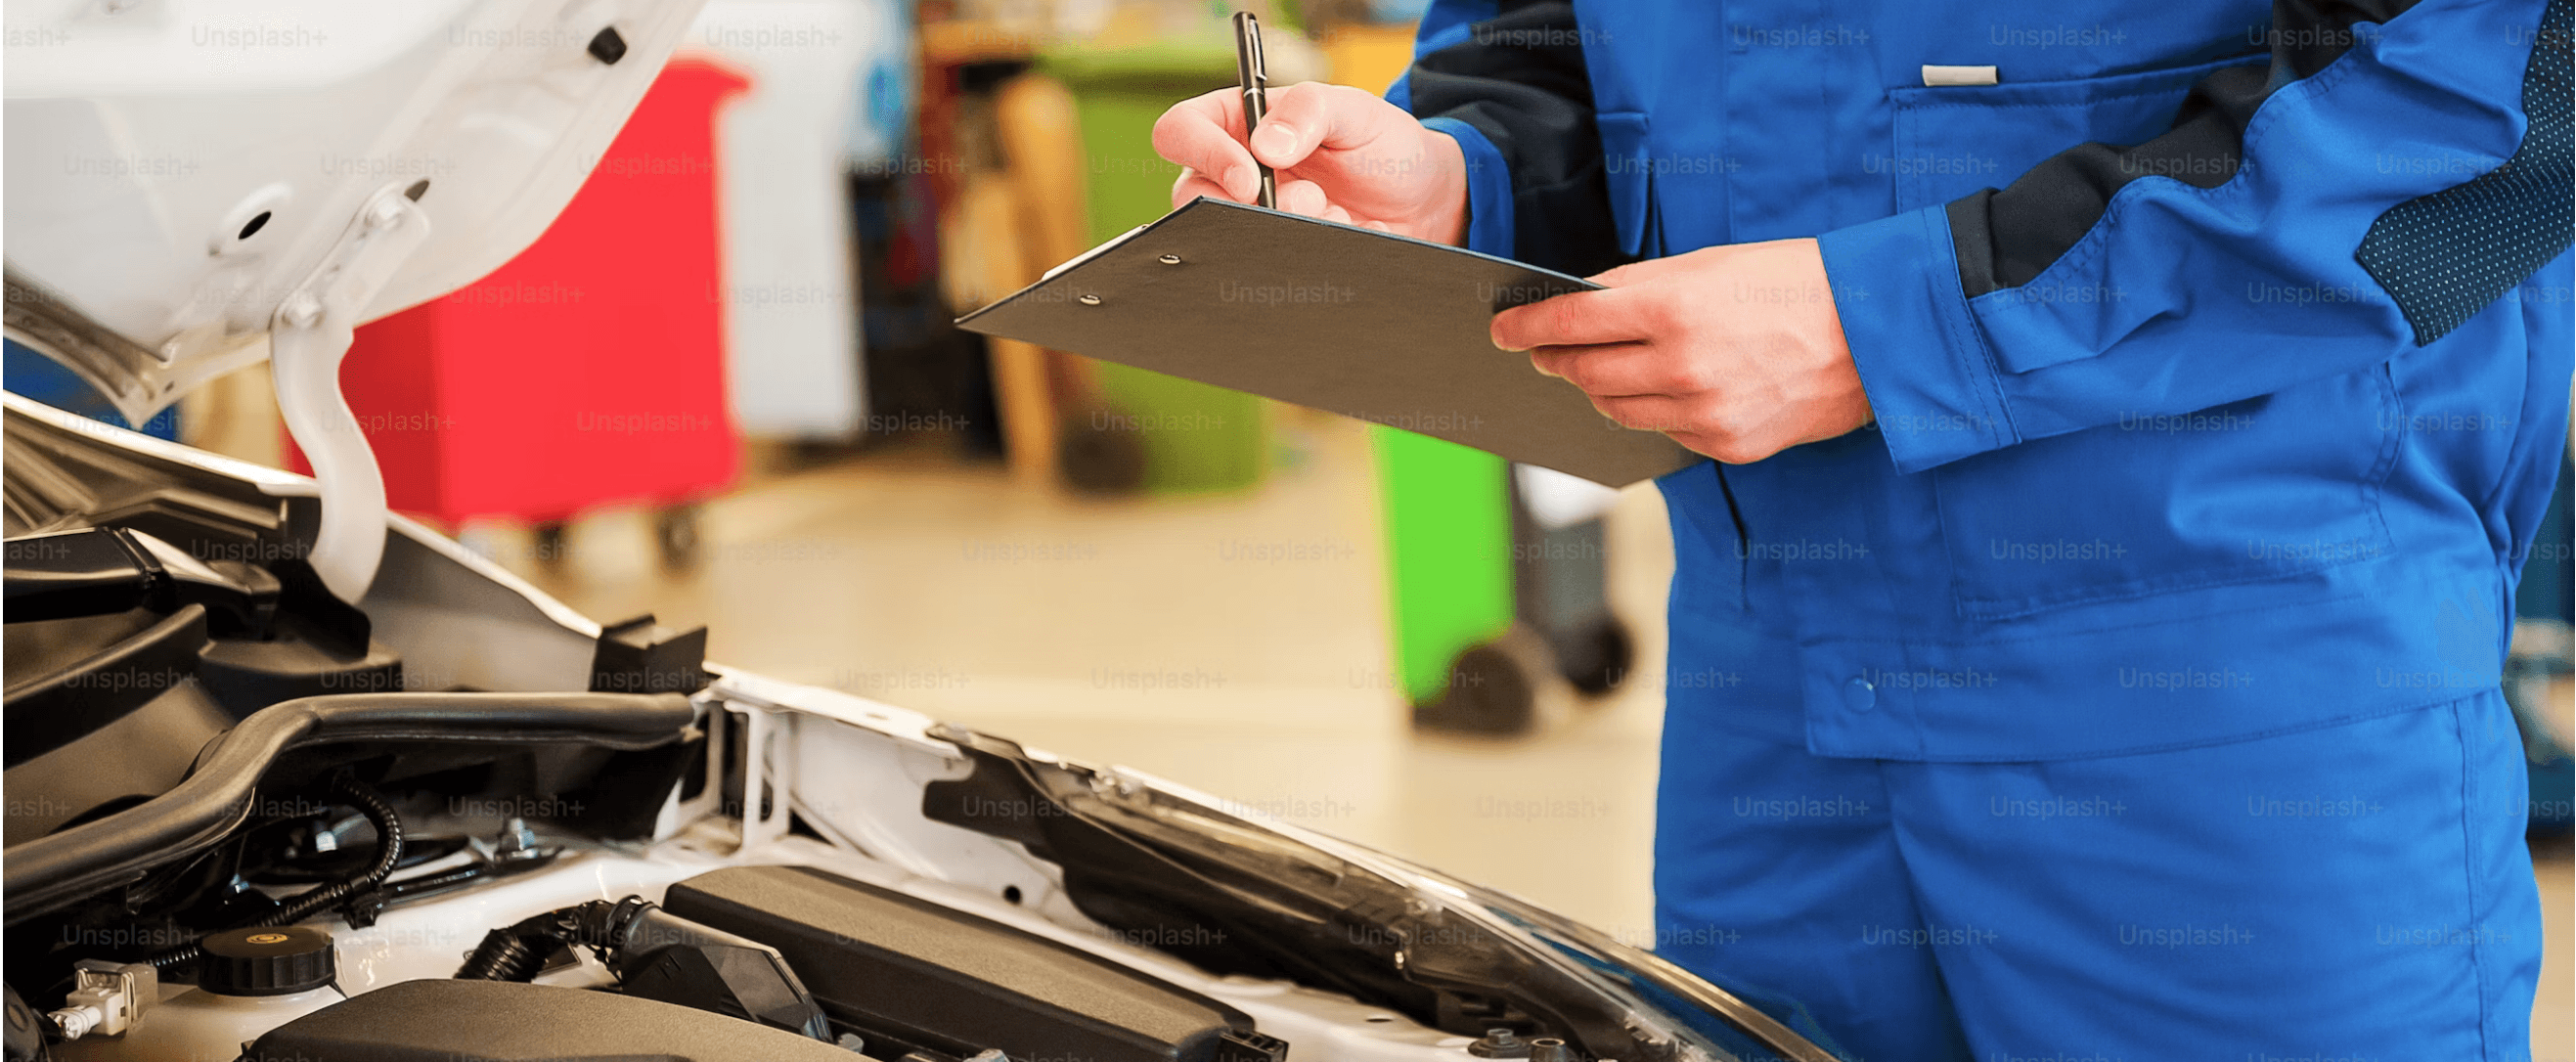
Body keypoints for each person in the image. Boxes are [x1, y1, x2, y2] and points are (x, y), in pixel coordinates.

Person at [1156, 0, 2570, 1057]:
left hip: (2228, 675)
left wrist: (1899, 320)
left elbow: (2496, 87)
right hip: (1769, 684)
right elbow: (1549, 41)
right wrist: (1468, 175)